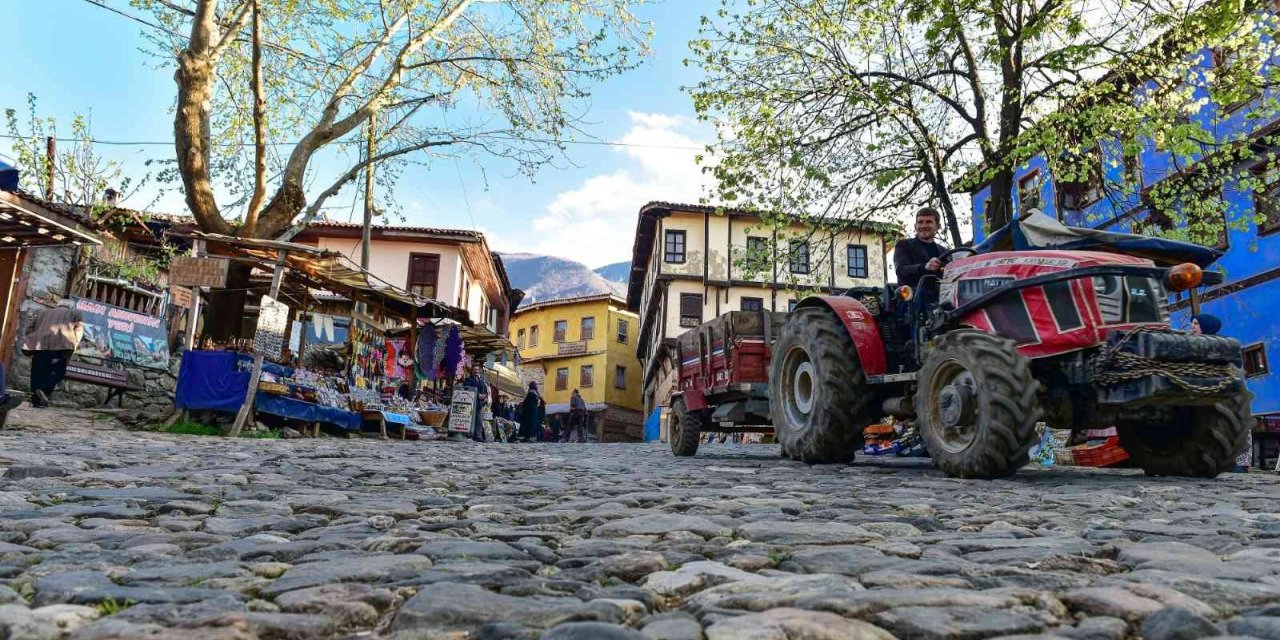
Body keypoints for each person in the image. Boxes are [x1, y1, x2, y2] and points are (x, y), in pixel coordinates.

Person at [1192, 313, 1249, 472]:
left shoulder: (1223, 346)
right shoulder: (1194, 345)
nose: (1192, 327)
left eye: (1196, 323)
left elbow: (1234, 371)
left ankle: (1239, 471)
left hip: (1228, 399)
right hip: (1208, 402)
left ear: (1206, 325)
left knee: (1237, 437)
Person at [22, 299, 85, 408]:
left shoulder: (43, 313)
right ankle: (44, 390)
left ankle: (36, 402)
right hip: (60, 347)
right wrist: (73, 345)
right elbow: (78, 331)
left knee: (37, 373)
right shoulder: (75, 313)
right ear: (70, 306)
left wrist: (32, 337)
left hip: (39, 346)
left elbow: (29, 327)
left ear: (58, 305)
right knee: (57, 373)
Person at [893, 207, 946, 288]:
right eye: (920, 222)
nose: (923, 226)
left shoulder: (944, 252)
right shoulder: (904, 245)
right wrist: (925, 266)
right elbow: (901, 270)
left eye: (928, 222)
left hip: (942, 297)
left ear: (938, 226)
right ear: (915, 226)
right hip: (913, 297)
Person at [462, 364, 490, 442]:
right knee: (470, 420)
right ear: (472, 371)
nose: (476, 371)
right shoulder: (468, 380)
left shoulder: (481, 381)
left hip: (480, 404)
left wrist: (485, 396)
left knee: (479, 421)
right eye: (474, 370)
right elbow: (467, 389)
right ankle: (470, 435)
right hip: (470, 404)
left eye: (477, 370)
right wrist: (478, 395)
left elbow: (485, 391)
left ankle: (478, 436)